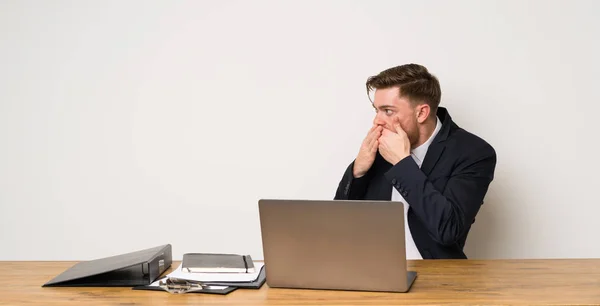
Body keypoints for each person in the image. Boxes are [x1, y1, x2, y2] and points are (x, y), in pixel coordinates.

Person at [334, 63, 496, 259]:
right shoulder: (379, 147)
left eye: (388, 111)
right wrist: (358, 171)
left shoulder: (474, 153)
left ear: (421, 113)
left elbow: (448, 230)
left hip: (437, 277)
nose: (377, 121)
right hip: (374, 272)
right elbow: (340, 226)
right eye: (376, 110)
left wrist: (403, 164)